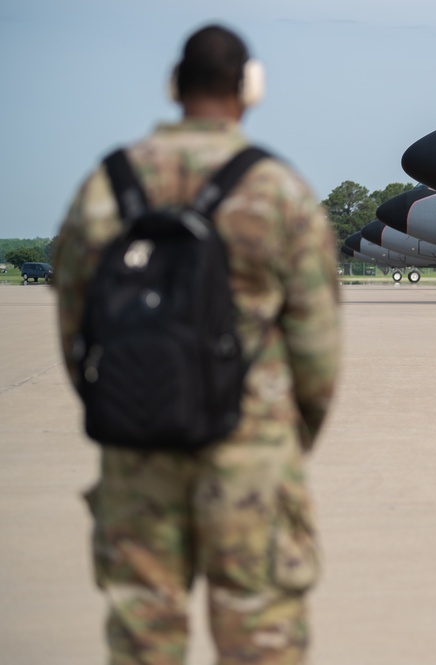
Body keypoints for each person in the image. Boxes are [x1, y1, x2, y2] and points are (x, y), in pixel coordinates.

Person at [52, 24, 341, 664]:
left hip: (137, 448)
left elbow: (76, 324)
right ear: (250, 89)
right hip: (249, 454)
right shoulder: (277, 190)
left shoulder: (104, 186)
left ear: (173, 86)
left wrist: (125, 403)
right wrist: (288, 439)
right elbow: (318, 349)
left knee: (143, 634)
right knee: (259, 636)